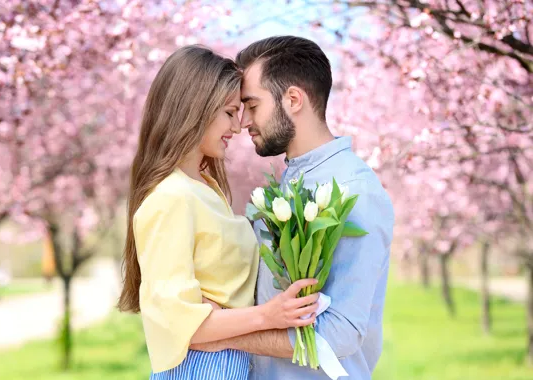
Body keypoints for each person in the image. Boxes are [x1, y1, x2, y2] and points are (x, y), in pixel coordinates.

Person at [191, 36, 395, 380]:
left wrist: (222, 334)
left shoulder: (354, 191)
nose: (243, 123)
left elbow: (340, 333)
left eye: (253, 106)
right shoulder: (284, 186)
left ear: (293, 99)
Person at [118, 45, 319, 380]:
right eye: (229, 112)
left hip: (228, 363)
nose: (238, 127)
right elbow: (178, 325)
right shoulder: (172, 197)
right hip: (201, 369)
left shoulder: (204, 187)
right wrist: (269, 315)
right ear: (194, 110)